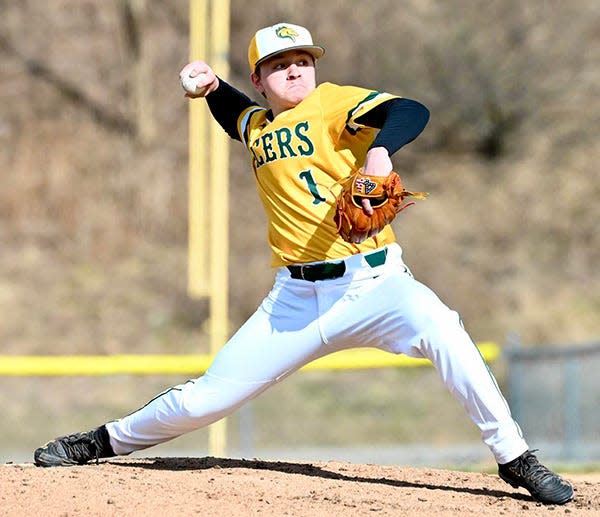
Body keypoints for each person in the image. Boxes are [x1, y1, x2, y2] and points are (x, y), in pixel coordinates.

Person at [34, 22, 573, 506]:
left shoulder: (334, 105)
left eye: (303, 61)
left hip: (377, 282)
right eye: (278, 64)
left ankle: (515, 458)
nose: (294, 69)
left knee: (444, 330)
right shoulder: (258, 127)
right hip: (294, 299)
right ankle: (99, 441)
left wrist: (380, 152)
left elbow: (409, 111)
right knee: (208, 399)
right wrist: (213, 88)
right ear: (260, 78)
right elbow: (236, 116)